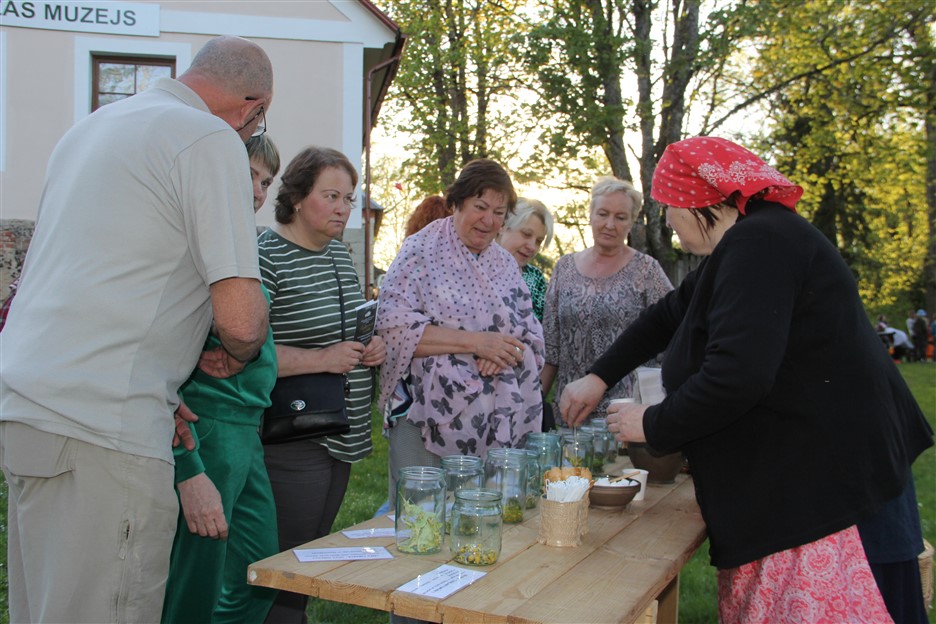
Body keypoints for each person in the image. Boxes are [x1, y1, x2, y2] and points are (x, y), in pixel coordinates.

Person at [560, 136, 933, 623]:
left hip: (835, 495)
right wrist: (598, 376)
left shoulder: (760, 244)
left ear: (695, 202)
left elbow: (737, 375)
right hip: (822, 478)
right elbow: (666, 316)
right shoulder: (748, 244)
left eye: (667, 206)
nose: (667, 221)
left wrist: (652, 423)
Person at [0, 36, 272, 623]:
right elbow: (241, 321)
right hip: (105, 426)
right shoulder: (209, 138)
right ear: (251, 107)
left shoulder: (91, 128)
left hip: (30, 408)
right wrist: (238, 351)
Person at [258, 146, 387, 624]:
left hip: (341, 430)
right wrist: (322, 359)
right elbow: (245, 352)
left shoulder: (337, 254)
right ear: (296, 197)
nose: (342, 208)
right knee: (286, 560)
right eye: (330, 196)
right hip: (296, 433)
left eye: (348, 199)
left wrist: (371, 347)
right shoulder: (265, 257)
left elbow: (346, 329)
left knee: (310, 551)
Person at [375, 159, 545, 508]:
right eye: (480, 207)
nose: (489, 220)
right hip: (422, 416)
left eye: (499, 212)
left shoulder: (503, 263)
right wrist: (479, 344)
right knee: (419, 513)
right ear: (456, 203)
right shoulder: (420, 252)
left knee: (475, 518)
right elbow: (393, 328)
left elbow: (529, 333)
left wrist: (503, 354)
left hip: (492, 421)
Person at [161, 134, 282, 624]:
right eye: (248, 175)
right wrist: (187, 465)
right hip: (209, 424)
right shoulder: (198, 237)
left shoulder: (240, 241)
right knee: (196, 577)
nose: (257, 191)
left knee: (262, 570)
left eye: (266, 182)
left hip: (248, 429)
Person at [541, 176, 672, 425]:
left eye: (620, 217)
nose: (609, 224)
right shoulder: (564, 268)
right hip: (570, 414)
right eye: (602, 214)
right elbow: (551, 348)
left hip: (626, 416)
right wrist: (535, 404)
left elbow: (673, 335)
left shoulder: (647, 271)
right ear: (590, 214)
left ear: (632, 221)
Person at [496, 197, 554, 322]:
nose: (532, 247)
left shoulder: (535, 278)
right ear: (503, 226)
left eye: (538, 241)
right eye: (526, 234)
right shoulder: (474, 266)